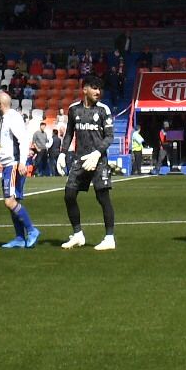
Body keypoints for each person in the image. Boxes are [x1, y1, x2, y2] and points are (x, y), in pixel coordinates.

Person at [60, 77, 119, 250]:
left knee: (103, 197)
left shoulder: (103, 110)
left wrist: (97, 152)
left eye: (100, 88)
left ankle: (109, 238)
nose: (98, 92)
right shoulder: (73, 109)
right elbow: (69, 133)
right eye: (94, 88)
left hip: (98, 160)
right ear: (84, 89)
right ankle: (78, 235)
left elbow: (109, 136)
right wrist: (62, 153)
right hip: (80, 159)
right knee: (69, 195)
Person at [0, 89, 41, 247]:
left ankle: (32, 230)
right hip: (9, 164)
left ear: (0, 104)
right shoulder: (4, 119)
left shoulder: (13, 118)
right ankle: (20, 238)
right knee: (14, 201)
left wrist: (21, 162)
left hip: (13, 164)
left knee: (9, 201)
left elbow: (23, 139)